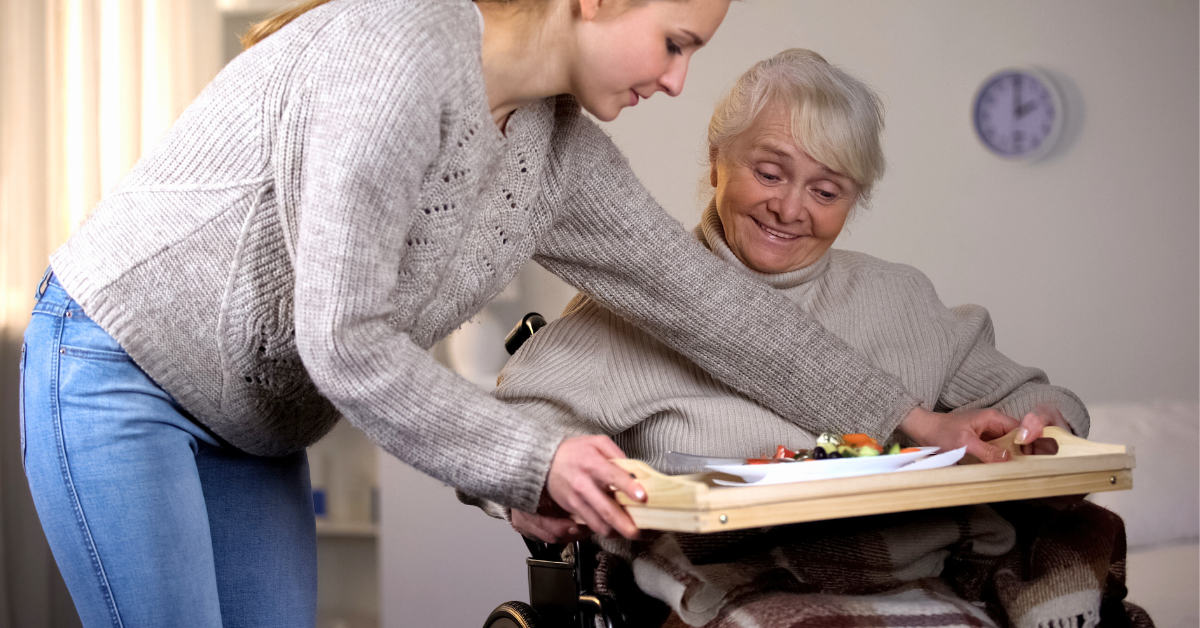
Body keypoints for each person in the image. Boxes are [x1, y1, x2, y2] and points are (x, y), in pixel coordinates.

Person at [20, 0, 1010, 624]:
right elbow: (345, 337)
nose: (677, 80)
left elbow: (709, 303)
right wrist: (536, 457)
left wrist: (914, 421)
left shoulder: (557, 148)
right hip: (121, 366)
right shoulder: (399, 51)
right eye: (674, 43)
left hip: (255, 425)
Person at [491, 48, 1086, 545]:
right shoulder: (623, 310)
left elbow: (1033, 397)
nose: (790, 208)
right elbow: (515, 432)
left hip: (905, 580)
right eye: (770, 174)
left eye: (826, 190)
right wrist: (527, 488)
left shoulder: (900, 298)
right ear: (716, 159)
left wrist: (1046, 425)